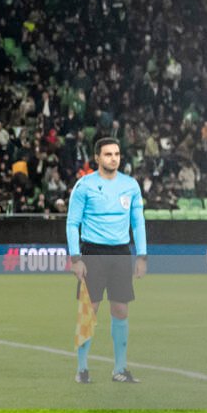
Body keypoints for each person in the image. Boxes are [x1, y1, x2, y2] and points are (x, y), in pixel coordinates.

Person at [67, 136, 147, 383]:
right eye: (108, 154)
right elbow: (72, 223)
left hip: (121, 253)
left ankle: (120, 369)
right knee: (89, 311)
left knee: (121, 309)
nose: (114, 158)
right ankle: (82, 369)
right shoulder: (84, 186)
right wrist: (76, 258)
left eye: (117, 154)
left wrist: (141, 255)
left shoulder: (131, 185)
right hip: (93, 253)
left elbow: (138, 222)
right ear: (97, 158)